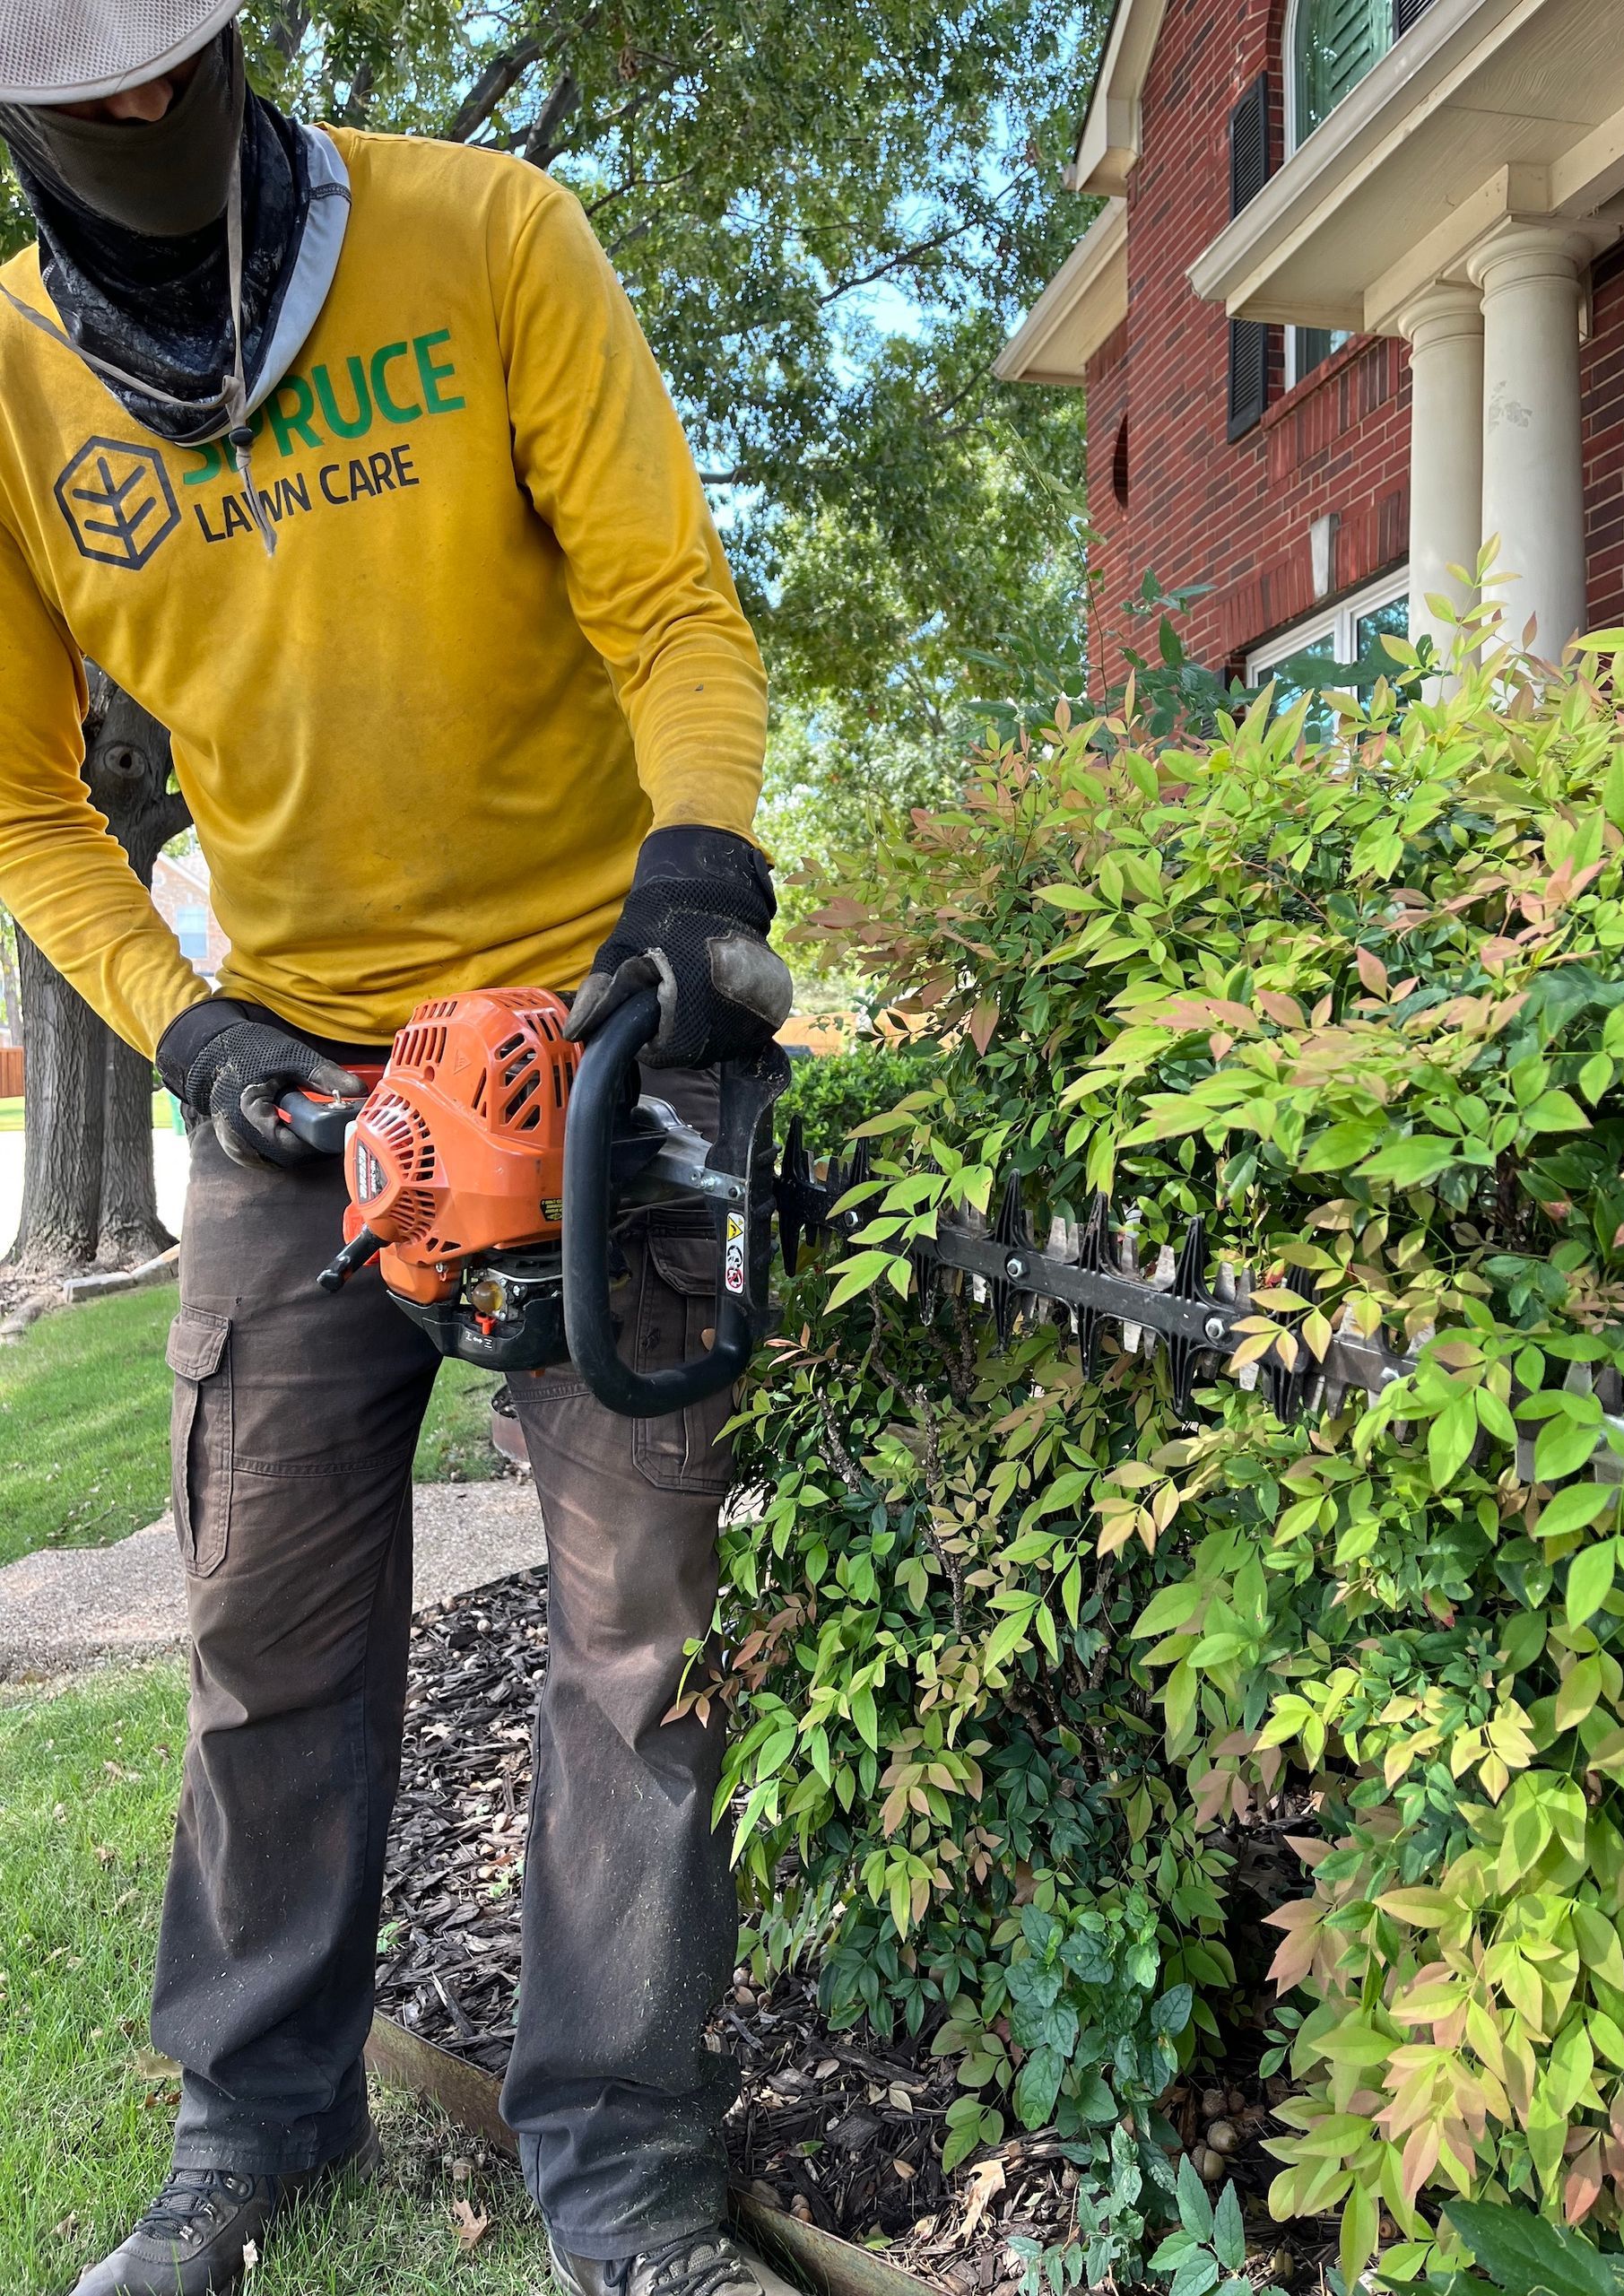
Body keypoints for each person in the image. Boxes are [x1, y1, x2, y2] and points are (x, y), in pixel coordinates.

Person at [0, 6, 794, 2293]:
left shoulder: (487, 234)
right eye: (86, 86)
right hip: (303, 1088)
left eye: (170, 64)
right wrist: (189, 1029)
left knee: (640, 1638)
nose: (140, 108)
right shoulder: (14, 387)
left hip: (593, 1040)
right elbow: (29, 799)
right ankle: (257, 2116)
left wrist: (696, 881)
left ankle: (625, 2174)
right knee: (260, 1630)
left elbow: (673, 610)